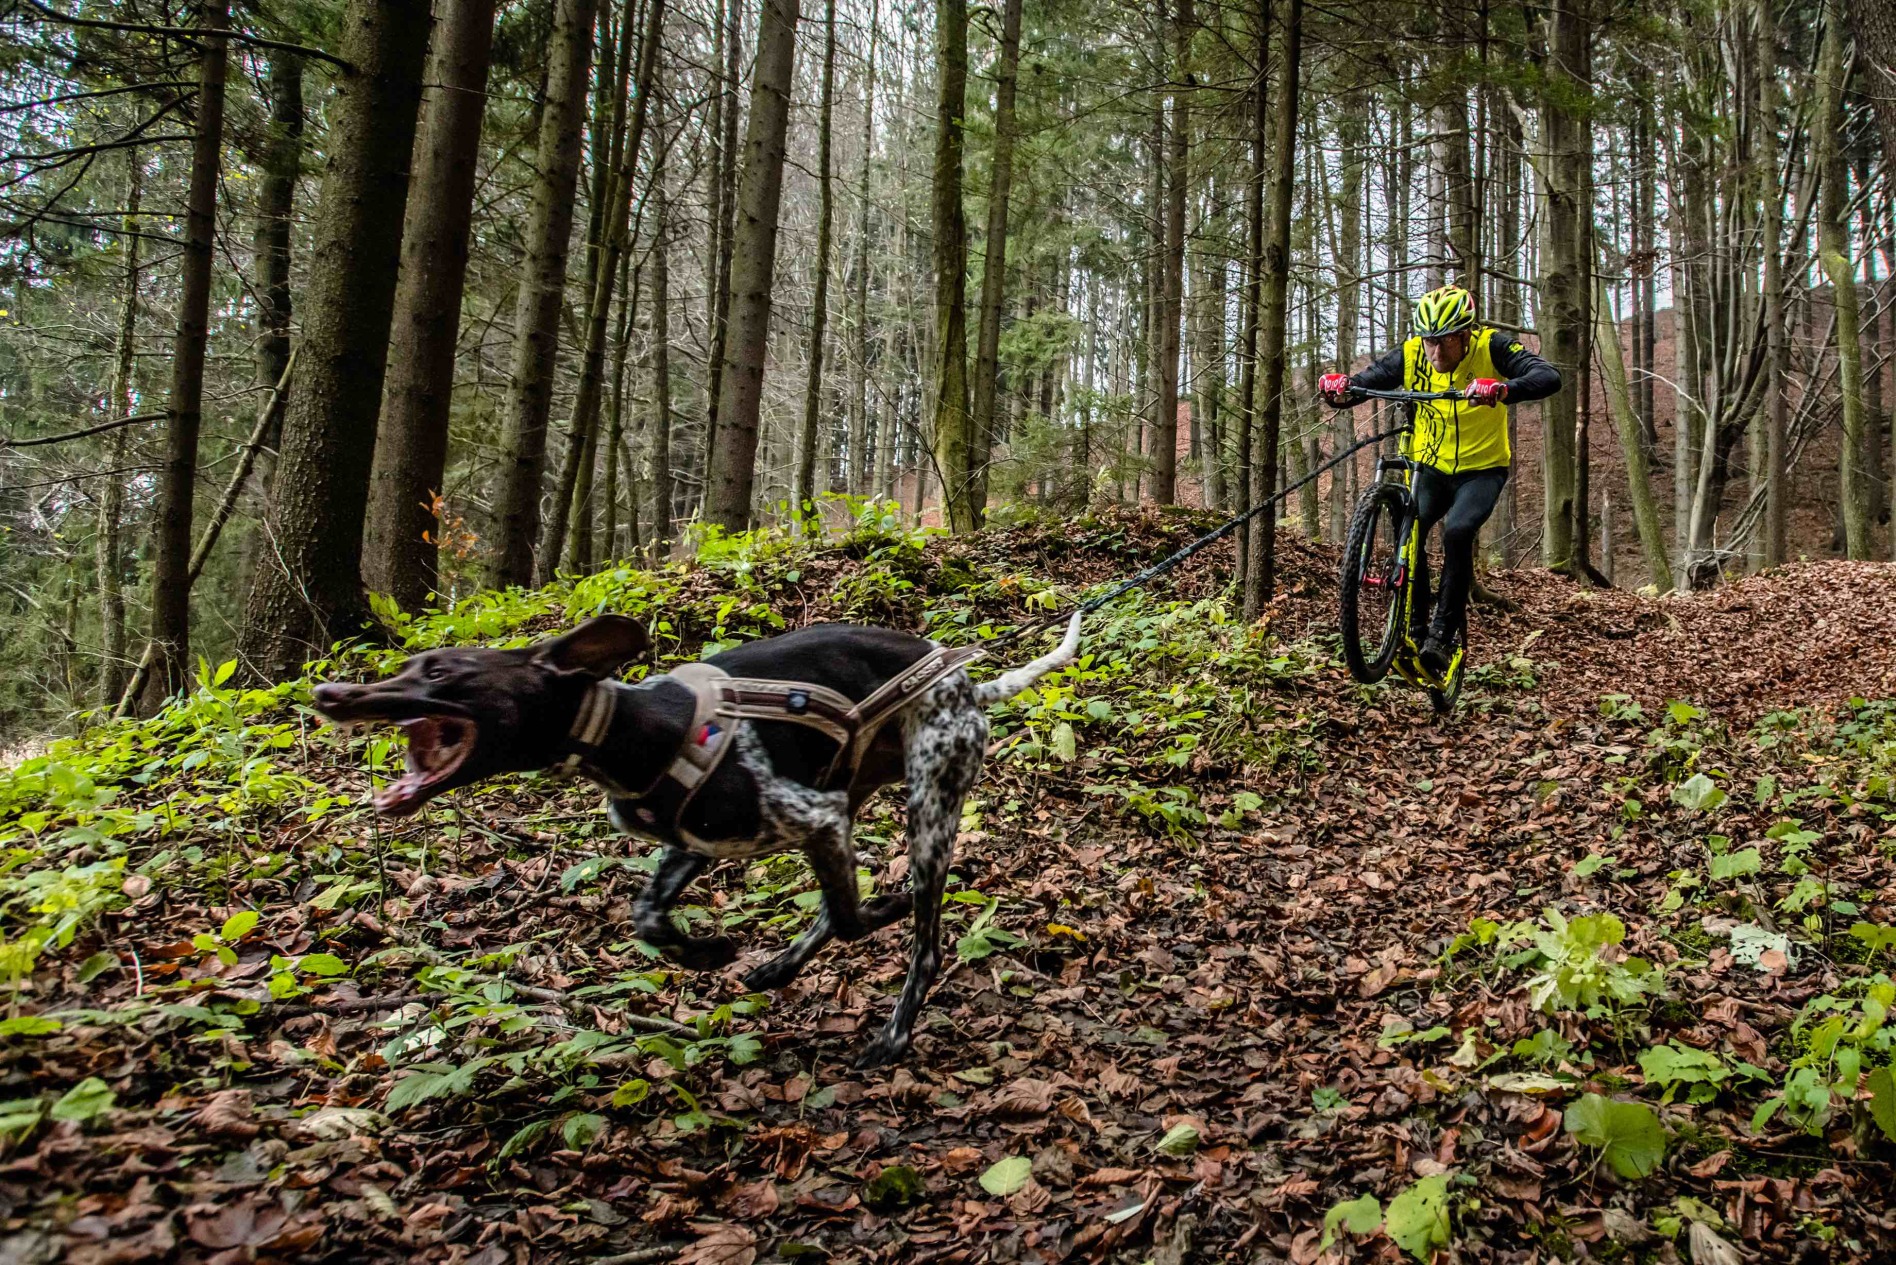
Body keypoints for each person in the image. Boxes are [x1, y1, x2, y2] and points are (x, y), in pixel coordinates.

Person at [1319, 285, 1561, 676]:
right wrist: (1340, 390)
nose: (1436, 353)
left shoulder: (1491, 347)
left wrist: (1502, 389)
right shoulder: (1412, 352)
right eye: (1430, 342)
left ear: (1466, 334)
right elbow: (1372, 379)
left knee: (1457, 533)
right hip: (1429, 467)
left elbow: (1547, 376)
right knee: (1409, 530)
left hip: (1481, 470)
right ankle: (1412, 627)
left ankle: (1443, 633)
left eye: (1446, 341)